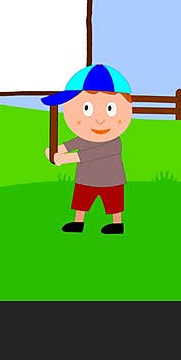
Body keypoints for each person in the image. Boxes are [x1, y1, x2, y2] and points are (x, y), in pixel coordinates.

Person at [42, 64, 132, 235]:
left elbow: (92, 154)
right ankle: (78, 221)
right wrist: (58, 149)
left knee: (113, 201)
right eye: (86, 109)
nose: (99, 120)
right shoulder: (85, 136)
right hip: (86, 176)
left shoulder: (114, 142)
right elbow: (77, 143)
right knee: (81, 199)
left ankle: (117, 223)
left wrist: (65, 159)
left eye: (109, 109)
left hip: (111, 178)